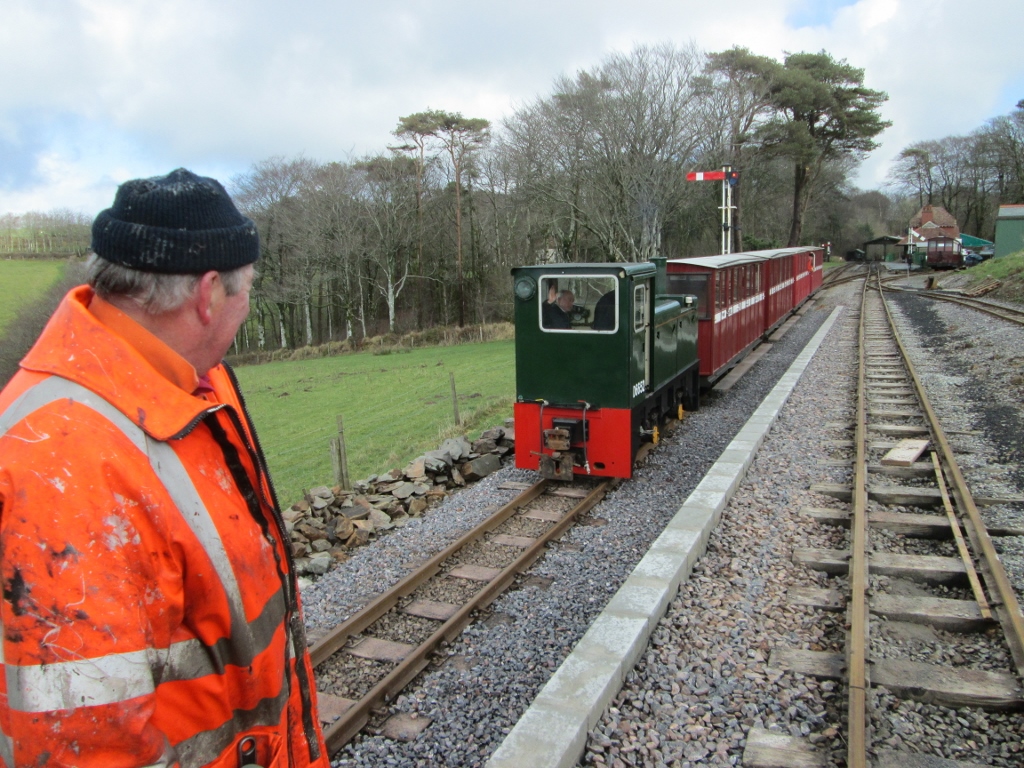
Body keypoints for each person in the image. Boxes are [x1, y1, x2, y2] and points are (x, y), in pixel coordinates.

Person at [0, 169, 329, 767]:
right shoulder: (65, 466)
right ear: (208, 294)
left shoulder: (189, 380)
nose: (246, 308)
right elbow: (85, 744)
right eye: (246, 289)